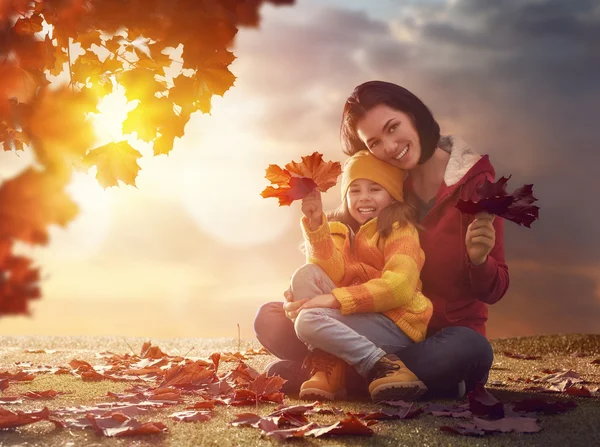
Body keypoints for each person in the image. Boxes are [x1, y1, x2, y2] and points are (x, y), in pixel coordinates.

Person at [254, 80, 509, 400]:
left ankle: (336, 372)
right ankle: (377, 375)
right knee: (270, 317)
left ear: (415, 115)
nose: (389, 147)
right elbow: (340, 261)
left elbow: (494, 290)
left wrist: (479, 259)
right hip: (365, 318)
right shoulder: (384, 185)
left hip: (435, 337)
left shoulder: (477, 185)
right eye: (374, 141)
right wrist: (316, 247)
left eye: (393, 127)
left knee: (469, 348)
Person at [291, 150, 432, 402]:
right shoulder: (337, 229)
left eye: (375, 189)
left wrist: (334, 300)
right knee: (304, 276)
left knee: (306, 321)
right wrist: (315, 226)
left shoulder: (400, 230)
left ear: (393, 196)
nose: (363, 198)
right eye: (355, 190)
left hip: (395, 324)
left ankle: (383, 365)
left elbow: (399, 286)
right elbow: (326, 273)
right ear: (345, 196)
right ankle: (329, 369)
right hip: (353, 319)